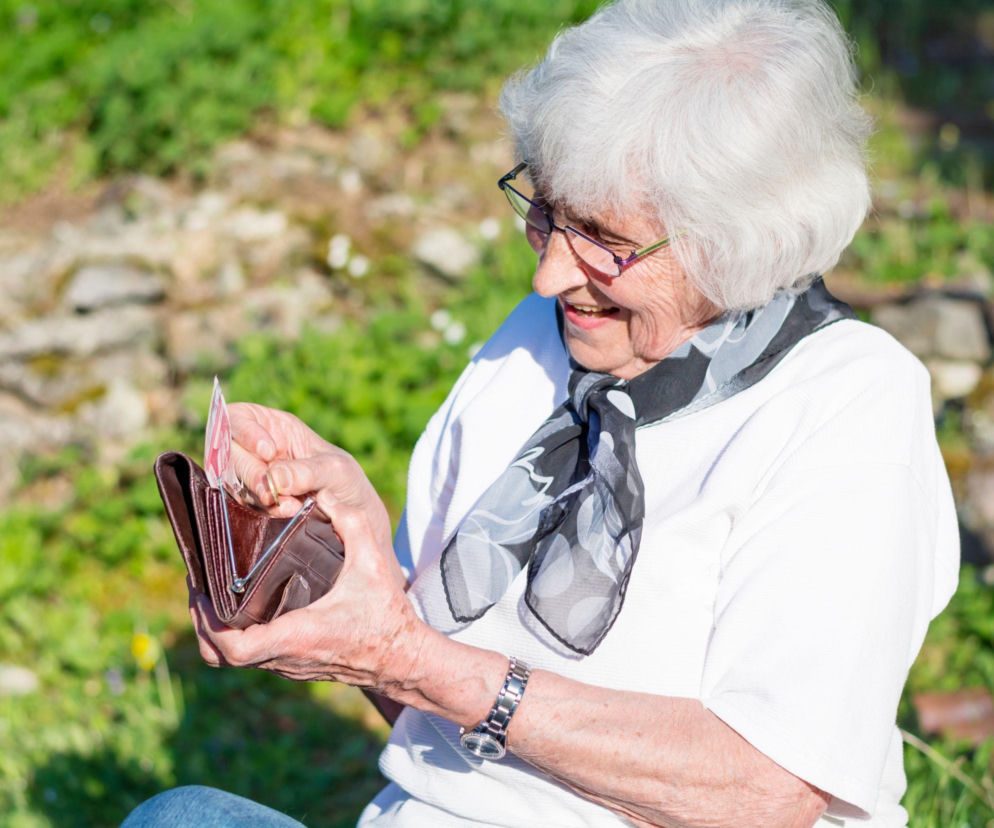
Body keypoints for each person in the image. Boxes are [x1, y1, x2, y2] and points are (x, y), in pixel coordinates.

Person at [123, 0, 960, 825]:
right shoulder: (542, 339)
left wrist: (406, 658)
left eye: (603, 238)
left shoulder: (847, 405)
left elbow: (766, 793)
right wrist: (351, 557)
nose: (549, 276)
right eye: (546, 213)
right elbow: (422, 704)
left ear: (740, 237)